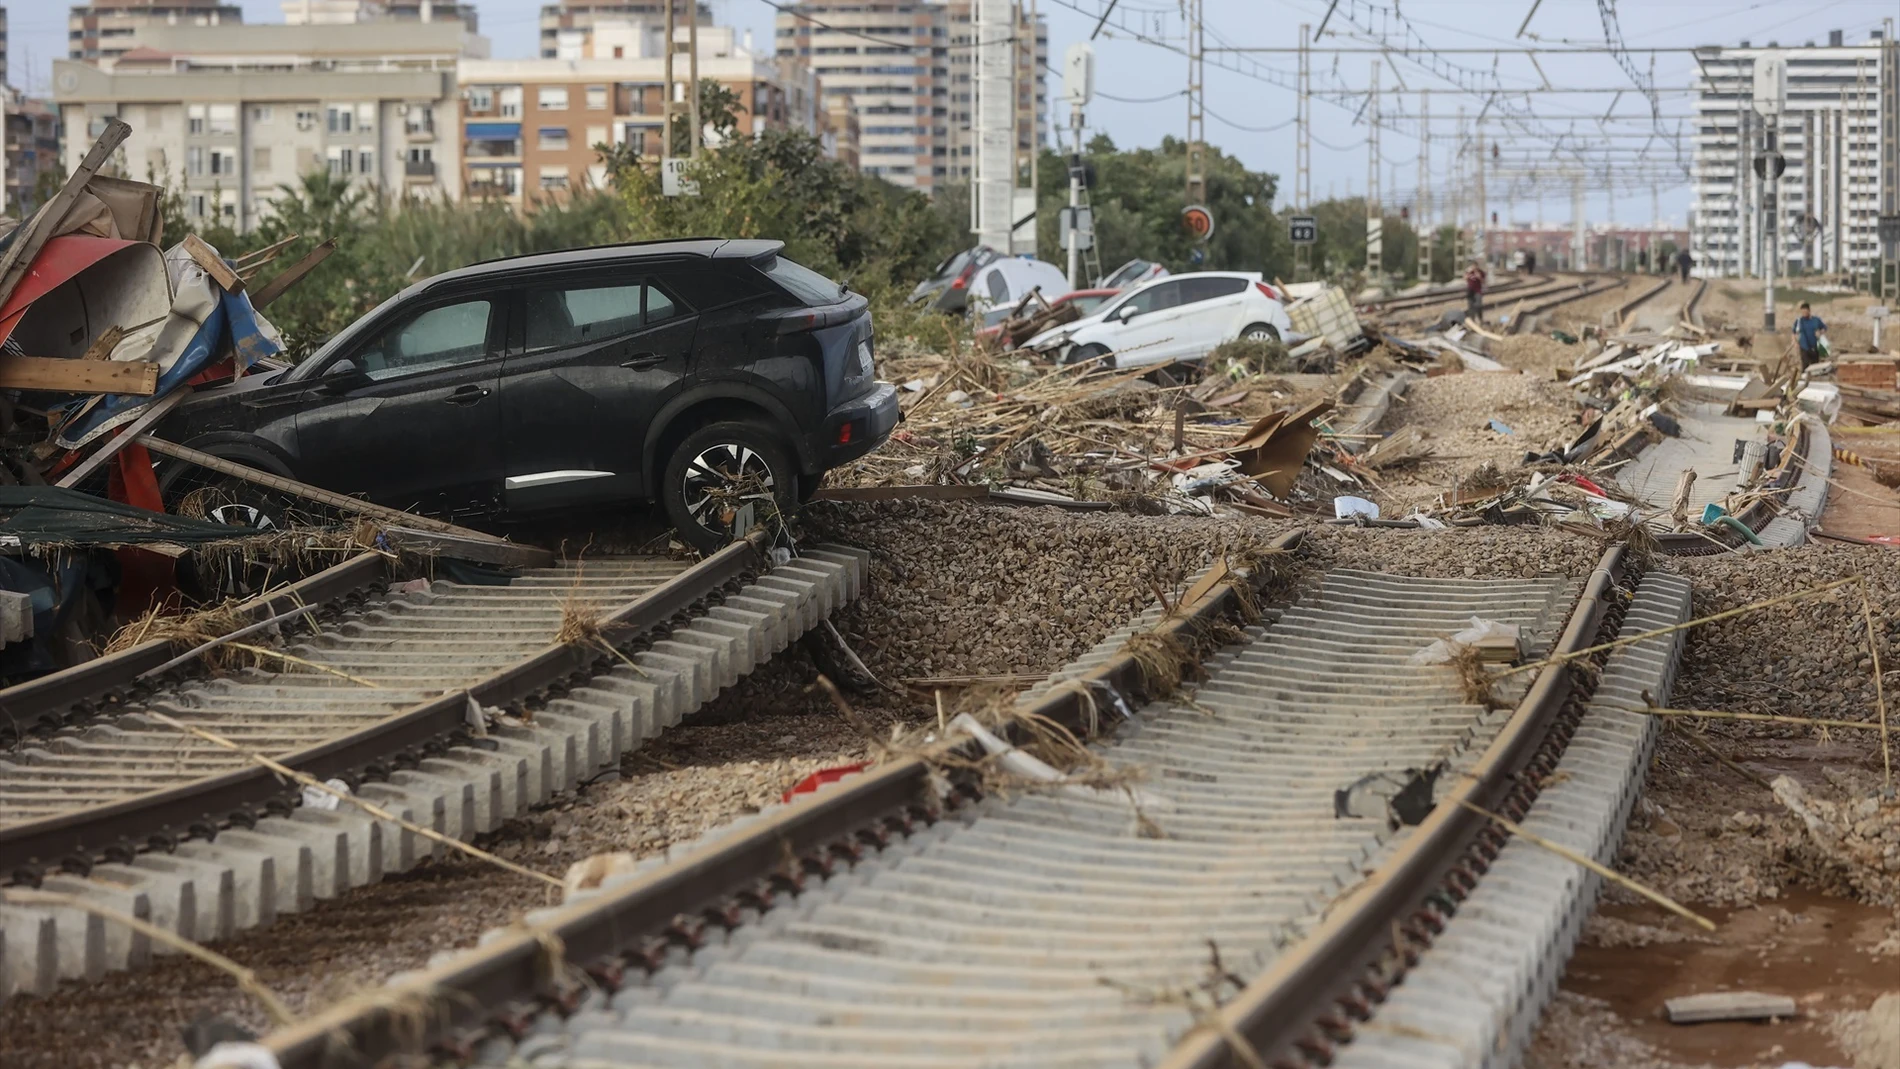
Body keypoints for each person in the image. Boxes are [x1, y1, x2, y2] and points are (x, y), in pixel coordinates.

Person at [1792, 301, 1828, 368]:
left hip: (1814, 347)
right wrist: (1795, 342)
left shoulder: (1816, 320)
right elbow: (1793, 332)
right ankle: (1804, 377)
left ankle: (1813, 378)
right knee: (1805, 365)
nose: (1804, 314)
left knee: (1815, 366)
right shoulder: (1799, 321)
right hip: (1804, 347)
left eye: (1805, 312)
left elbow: (1824, 328)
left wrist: (1820, 333)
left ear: (1809, 311)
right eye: (1802, 312)